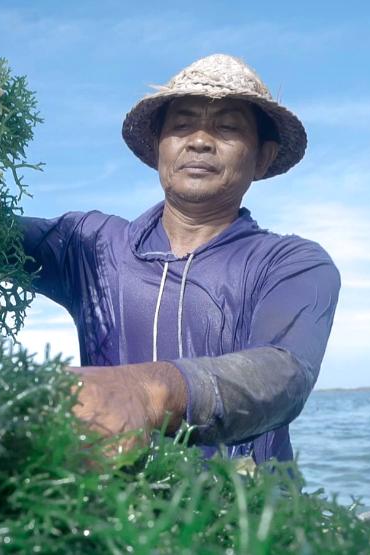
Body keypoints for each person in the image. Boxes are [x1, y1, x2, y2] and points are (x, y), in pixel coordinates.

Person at [20, 54, 340, 464]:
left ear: (262, 156)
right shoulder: (91, 245)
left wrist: (147, 390)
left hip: (245, 514)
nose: (200, 140)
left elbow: (285, 373)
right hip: (119, 508)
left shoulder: (291, 263)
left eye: (227, 127)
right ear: (158, 148)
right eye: (182, 124)